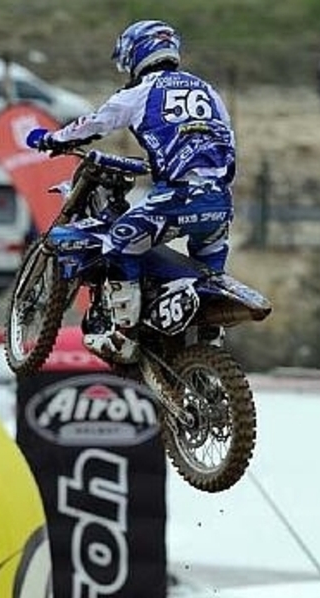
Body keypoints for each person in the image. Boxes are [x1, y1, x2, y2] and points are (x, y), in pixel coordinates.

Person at [35, 19, 236, 362]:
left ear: (136, 53)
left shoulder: (141, 91)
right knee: (210, 269)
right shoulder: (208, 91)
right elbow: (224, 140)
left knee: (119, 241)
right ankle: (208, 339)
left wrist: (53, 138)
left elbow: (95, 123)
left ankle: (124, 335)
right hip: (219, 200)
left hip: (178, 199)